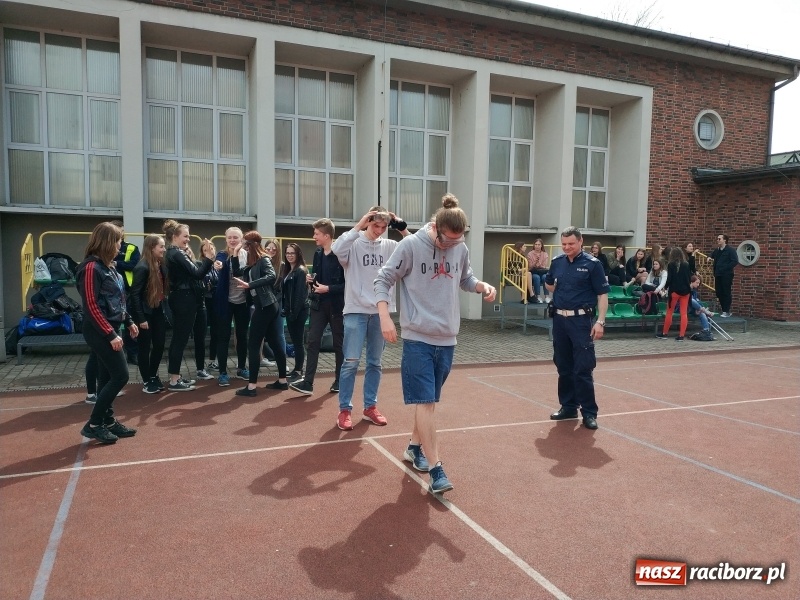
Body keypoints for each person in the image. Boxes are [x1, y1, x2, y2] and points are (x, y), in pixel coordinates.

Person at [375, 194, 496, 494]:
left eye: (458, 241)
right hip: (417, 337)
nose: (452, 246)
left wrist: (482, 286)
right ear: (436, 228)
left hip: (448, 338)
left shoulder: (460, 246)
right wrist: (385, 318)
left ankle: (413, 447)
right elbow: (383, 279)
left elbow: (465, 278)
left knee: (426, 400)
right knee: (426, 403)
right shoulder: (411, 245)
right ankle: (437, 470)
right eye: (447, 241)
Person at [330, 207, 409, 431]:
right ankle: (344, 409)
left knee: (375, 362)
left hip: (380, 312)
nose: (380, 231)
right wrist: (359, 224)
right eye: (376, 225)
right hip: (355, 309)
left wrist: (401, 227)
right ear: (368, 222)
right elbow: (336, 248)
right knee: (351, 361)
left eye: (384, 227)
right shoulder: (353, 244)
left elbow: (415, 247)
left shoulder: (391, 246)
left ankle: (370, 407)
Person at [76, 222, 139, 444]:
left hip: (111, 327)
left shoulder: (109, 267)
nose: (120, 247)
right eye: (118, 241)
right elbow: (92, 305)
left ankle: (108, 421)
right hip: (99, 331)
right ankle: (93, 424)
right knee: (121, 375)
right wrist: (111, 334)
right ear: (107, 242)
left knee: (106, 378)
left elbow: (119, 300)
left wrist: (129, 321)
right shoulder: (91, 268)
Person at [546, 226, 609, 431]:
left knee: (583, 368)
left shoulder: (592, 264)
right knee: (563, 366)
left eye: (571, 244)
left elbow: (602, 294)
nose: (567, 248)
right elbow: (549, 285)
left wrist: (600, 321)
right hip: (559, 321)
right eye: (564, 244)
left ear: (581, 241)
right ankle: (568, 406)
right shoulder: (557, 263)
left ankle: (589, 413)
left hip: (581, 322)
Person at [289, 219, 345, 396]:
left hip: (337, 306)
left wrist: (328, 288)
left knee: (339, 344)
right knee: (312, 341)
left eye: (316, 234)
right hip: (318, 304)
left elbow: (348, 283)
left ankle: (340, 380)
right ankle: (308, 382)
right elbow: (317, 278)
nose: (314, 237)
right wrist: (311, 281)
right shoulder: (318, 252)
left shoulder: (341, 254)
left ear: (326, 236)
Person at [231, 232, 289, 397]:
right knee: (276, 343)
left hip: (266, 307)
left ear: (251, 245)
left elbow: (271, 276)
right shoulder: (253, 262)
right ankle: (283, 381)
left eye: (245, 245)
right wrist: (235, 255)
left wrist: (250, 285)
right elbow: (237, 273)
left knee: (254, 345)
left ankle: (251, 387)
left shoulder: (263, 259)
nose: (243, 247)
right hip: (266, 306)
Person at [164, 219, 215, 391]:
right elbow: (197, 273)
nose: (188, 239)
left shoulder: (174, 252)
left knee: (179, 339)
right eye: (185, 236)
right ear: (175, 236)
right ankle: (173, 380)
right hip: (184, 299)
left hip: (183, 297)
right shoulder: (176, 253)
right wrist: (208, 258)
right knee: (180, 339)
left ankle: (175, 377)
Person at [130, 235, 169, 394]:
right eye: (161, 246)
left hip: (157, 309)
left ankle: (153, 375)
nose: (164, 249)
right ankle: (147, 380)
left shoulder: (159, 265)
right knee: (144, 348)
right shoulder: (142, 267)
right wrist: (140, 319)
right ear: (152, 247)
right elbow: (135, 295)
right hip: (145, 313)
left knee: (159, 344)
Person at [212, 227, 250, 386]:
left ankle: (242, 367)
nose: (232, 240)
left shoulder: (247, 255)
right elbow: (218, 262)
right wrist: (218, 264)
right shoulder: (222, 254)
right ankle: (222, 372)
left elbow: (244, 272)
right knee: (223, 337)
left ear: (241, 239)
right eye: (230, 238)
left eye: (236, 237)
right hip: (225, 302)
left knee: (242, 336)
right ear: (226, 239)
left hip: (243, 302)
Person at [110, 220, 141, 366]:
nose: (119, 233)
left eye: (121, 230)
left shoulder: (131, 248)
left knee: (131, 323)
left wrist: (117, 263)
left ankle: (132, 355)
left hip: (128, 290)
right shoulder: (105, 248)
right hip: (110, 292)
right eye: (116, 230)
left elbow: (134, 264)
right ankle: (114, 354)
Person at [281, 243, 310, 383]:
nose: (289, 255)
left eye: (292, 253)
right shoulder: (288, 270)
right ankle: (297, 369)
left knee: (298, 342)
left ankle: (299, 370)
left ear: (298, 254)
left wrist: (294, 313)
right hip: (292, 311)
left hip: (299, 311)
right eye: (287, 253)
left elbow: (299, 295)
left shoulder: (300, 270)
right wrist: (287, 310)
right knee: (296, 340)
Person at [261, 238, 286, 368]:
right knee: (261, 333)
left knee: (279, 332)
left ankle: (282, 361)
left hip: (276, 302)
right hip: (263, 303)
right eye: (268, 248)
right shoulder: (260, 262)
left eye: (274, 249)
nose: (271, 251)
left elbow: (278, 286)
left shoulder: (281, 265)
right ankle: (261, 359)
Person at [657, 247, 692, 341]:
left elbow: (670, 279)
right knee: (683, 313)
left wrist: (665, 287)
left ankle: (664, 333)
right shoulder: (686, 264)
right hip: (686, 291)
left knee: (669, 312)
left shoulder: (671, 264)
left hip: (674, 291)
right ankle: (681, 335)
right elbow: (689, 278)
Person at [710, 233, 739, 317]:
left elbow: (735, 261)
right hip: (718, 274)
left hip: (726, 274)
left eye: (719, 239)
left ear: (725, 240)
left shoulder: (730, 250)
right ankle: (724, 310)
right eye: (717, 239)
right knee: (718, 292)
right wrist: (709, 257)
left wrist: (725, 268)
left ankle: (726, 311)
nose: (718, 240)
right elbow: (712, 255)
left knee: (726, 291)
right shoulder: (717, 250)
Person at [526, 238, 550, 302]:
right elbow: (530, 266)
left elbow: (544, 265)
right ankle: (538, 296)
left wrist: (538, 263)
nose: (537, 246)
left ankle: (547, 296)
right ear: (534, 245)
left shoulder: (545, 254)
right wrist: (535, 263)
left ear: (541, 245)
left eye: (539, 244)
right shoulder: (530, 254)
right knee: (536, 277)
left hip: (542, 271)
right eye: (536, 244)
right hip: (534, 272)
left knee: (545, 277)